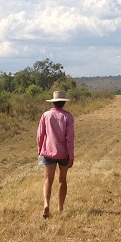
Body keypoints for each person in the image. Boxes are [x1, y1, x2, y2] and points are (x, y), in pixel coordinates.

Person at [36, 90, 75, 218]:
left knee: (47, 180)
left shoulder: (46, 115)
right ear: (64, 102)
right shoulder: (68, 117)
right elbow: (70, 139)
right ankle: (60, 207)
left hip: (48, 152)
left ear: (53, 102)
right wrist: (71, 156)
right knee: (62, 180)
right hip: (63, 153)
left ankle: (46, 204)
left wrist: (39, 149)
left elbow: (40, 135)